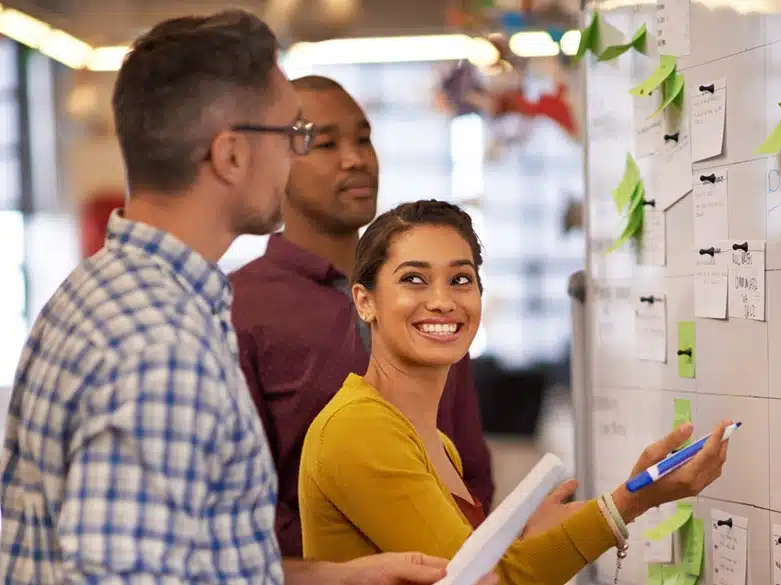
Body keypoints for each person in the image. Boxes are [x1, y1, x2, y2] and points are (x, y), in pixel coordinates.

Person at [0, 11, 491, 585]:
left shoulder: (108, 295)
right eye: (295, 136)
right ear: (232, 155)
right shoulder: (161, 346)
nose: (295, 157)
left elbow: (199, 560)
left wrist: (339, 576)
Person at [298, 200, 730, 584]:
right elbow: (480, 580)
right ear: (364, 301)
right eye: (414, 279)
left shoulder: (436, 442)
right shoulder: (359, 426)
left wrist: (528, 536)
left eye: (461, 280)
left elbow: (474, 562)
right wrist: (630, 502)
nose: (443, 301)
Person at [229, 75, 494, 557]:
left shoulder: (423, 300)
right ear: (273, 165)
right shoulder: (239, 307)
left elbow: (468, 460)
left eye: (364, 139)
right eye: (325, 143)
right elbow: (244, 499)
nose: (356, 159)